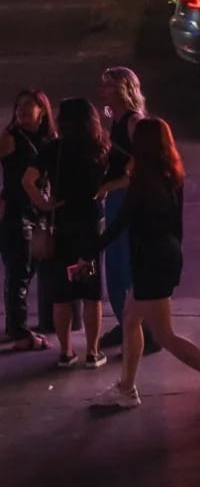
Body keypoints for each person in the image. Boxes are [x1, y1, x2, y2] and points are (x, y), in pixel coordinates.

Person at [89, 118, 200, 414]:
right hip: (166, 255)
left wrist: (86, 252)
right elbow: (177, 224)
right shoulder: (171, 175)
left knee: (164, 335)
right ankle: (126, 388)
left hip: (151, 262)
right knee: (131, 319)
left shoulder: (142, 184)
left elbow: (118, 225)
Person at [30, 99, 110, 369]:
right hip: (89, 226)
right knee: (90, 292)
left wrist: (43, 204)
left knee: (61, 294)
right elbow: (129, 168)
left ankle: (66, 352)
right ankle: (92, 351)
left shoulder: (53, 149)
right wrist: (104, 189)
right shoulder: (100, 148)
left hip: (61, 225)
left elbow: (27, 179)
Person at [97, 66, 147, 351]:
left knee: (123, 264)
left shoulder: (133, 122)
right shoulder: (113, 120)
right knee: (114, 266)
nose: (102, 90)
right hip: (116, 199)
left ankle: (137, 328)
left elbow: (142, 168)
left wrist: (109, 186)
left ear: (123, 89)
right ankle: (125, 322)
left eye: (108, 85)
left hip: (127, 199)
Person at [1, 89, 54, 349]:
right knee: (19, 272)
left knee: (26, 270)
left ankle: (16, 327)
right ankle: (20, 333)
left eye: (27, 105)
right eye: (18, 105)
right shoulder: (10, 138)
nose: (21, 110)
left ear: (42, 110)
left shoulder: (47, 140)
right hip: (14, 212)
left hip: (36, 213)